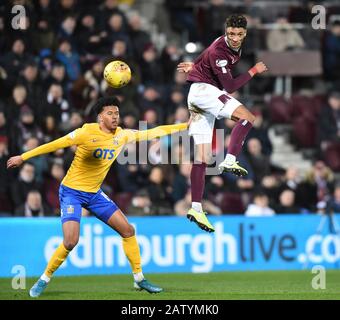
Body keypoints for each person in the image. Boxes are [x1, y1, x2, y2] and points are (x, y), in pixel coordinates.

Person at [7, 96, 189, 297]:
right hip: (71, 193)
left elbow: (152, 132)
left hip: (94, 193)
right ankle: (44, 279)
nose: (115, 117)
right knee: (70, 241)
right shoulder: (86, 132)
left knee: (128, 230)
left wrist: (183, 125)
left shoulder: (122, 135)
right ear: (100, 116)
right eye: (110, 113)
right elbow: (55, 144)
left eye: (117, 113)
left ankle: (139, 279)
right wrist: (23, 157)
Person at [177, 14, 268, 232]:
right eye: (231, 34)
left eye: (238, 34)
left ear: (244, 33)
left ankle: (196, 207)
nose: (235, 38)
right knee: (249, 117)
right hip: (206, 92)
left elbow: (205, 52)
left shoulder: (221, 43)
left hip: (197, 95)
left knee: (203, 157)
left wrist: (195, 65)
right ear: (226, 31)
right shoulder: (221, 52)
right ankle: (230, 159)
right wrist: (253, 71)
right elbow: (231, 86)